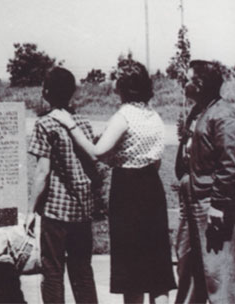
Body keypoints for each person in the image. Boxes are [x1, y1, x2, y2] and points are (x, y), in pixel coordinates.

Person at [52, 60, 176, 304]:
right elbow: (155, 159)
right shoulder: (154, 116)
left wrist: (71, 125)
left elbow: (97, 151)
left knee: (131, 265)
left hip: (129, 190)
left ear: (123, 87)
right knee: (157, 262)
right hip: (152, 186)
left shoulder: (124, 116)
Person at [26, 66, 98, 304]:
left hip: (55, 212)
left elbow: (42, 173)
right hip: (82, 211)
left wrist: (30, 211)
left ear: (45, 91)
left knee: (53, 272)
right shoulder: (83, 123)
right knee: (83, 272)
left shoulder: (44, 125)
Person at [174, 60, 235, 304]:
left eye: (188, 79)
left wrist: (219, 204)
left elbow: (231, 163)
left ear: (200, 84)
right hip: (193, 199)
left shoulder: (224, 114)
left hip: (210, 204)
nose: (184, 83)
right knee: (189, 266)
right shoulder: (199, 110)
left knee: (218, 272)